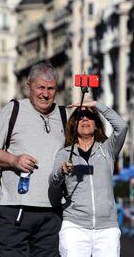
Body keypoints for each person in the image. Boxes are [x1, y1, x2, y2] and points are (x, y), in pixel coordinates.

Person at [0, 62, 66, 257]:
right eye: (41, 87)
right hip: (15, 208)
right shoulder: (14, 110)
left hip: (52, 212)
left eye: (51, 88)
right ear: (29, 86)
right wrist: (14, 160)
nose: (45, 94)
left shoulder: (64, 115)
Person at [49, 101, 128, 257]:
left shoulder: (107, 149)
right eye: (80, 116)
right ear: (74, 125)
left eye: (90, 116)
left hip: (107, 228)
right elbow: (53, 182)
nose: (85, 119)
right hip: (75, 226)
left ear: (97, 125)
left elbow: (122, 127)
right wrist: (61, 171)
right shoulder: (65, 154)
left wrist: (96, 105)